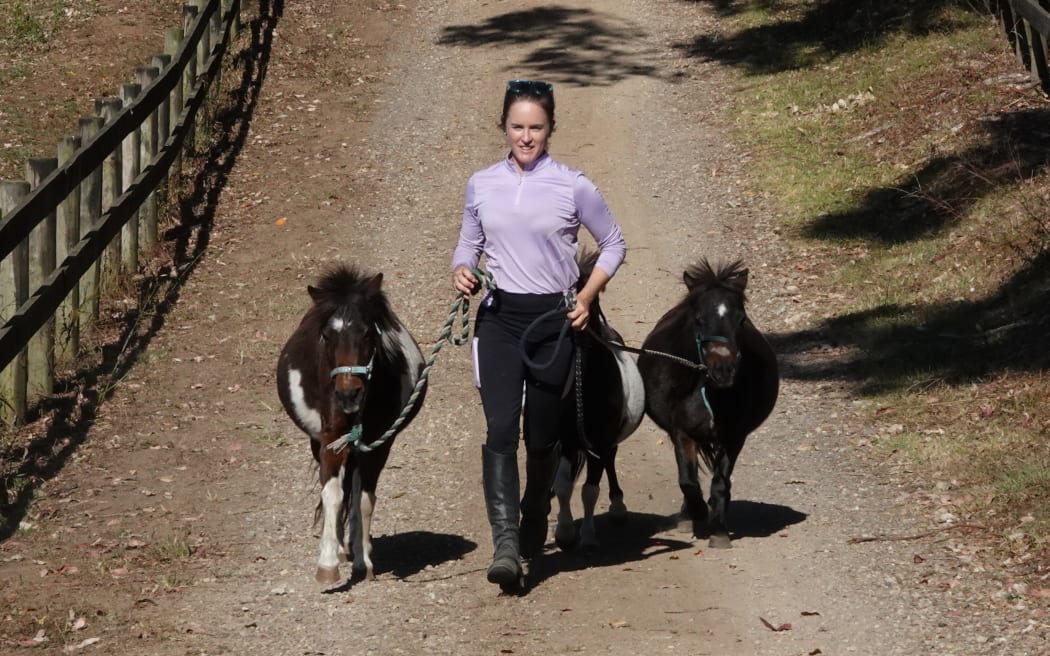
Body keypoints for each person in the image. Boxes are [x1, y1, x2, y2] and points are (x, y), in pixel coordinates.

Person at [450, 79, 627, 589]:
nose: (525, 137)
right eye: (517, 127)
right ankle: (506, 545)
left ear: (550, 129)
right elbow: (468, 244)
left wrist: (586, 297)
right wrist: (463, 269)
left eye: (536, 127)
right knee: (501, 431)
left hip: (554, 323)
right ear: (503, 127)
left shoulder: (574, 185)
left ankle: (535, 508)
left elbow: (614, 244)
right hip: (498, 320)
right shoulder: (481, 183)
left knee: (543, 436)